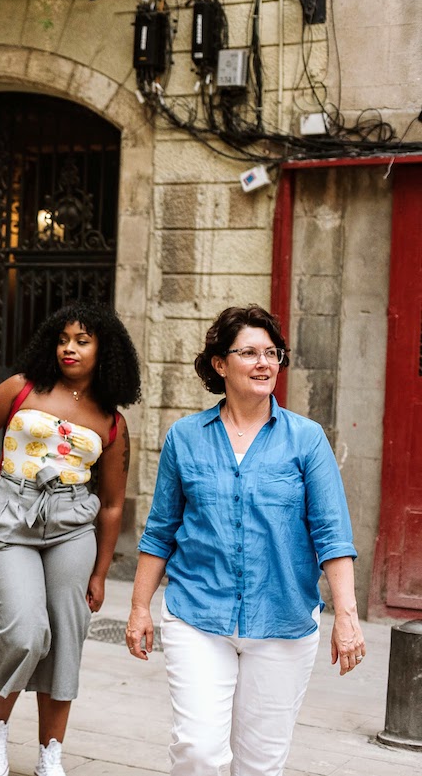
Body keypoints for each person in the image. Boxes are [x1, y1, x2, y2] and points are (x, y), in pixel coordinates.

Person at [126, 304, 364, 776]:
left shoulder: (307, 439)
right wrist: (138, 608)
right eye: (250, 352)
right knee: (198, 749)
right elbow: (160, 530)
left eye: (272, 353)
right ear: (220, 364)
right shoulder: (186, 437)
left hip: (282, 621)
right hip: (198, 614)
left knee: (260, 764)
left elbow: (333, 533)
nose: (264, 363)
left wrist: (347, 618)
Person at [0, 303, 141, 776]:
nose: (70, 348)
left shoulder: (112, 423)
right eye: (63, 339)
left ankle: (51, 753)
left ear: (105, 350)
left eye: (82, 340)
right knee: (24, 633)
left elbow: (112, 505)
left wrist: (101, 572)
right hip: (9, 519)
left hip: (72, 527)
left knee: (66, 637)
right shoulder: (21, 389)